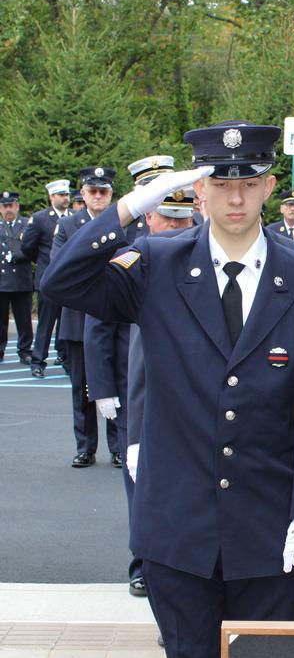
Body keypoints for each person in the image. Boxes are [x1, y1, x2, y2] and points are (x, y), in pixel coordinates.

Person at [41, 119, 294, 658]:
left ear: (269, 186)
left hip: (272, 534)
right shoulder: (156, 262)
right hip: (177, 533)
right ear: (198, 191)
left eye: (248, 182)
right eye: (218, 182)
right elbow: (61, 283)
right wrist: (132, 206)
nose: (235, 197)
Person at [85, 155, 182, 595]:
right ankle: (143, 561)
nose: (172, 223)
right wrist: (103, 388)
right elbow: (99, 327)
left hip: (184, 399)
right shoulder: (128, 256)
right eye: (164, 211)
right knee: (139, 487)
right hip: (134, 393)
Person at [52, 167, 121, 467]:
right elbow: (60, 267)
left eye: (103, 191)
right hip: (78, 319)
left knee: (117, 382)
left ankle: (118, 446)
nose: (97, 196)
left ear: (111, 194)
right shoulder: (68, 226)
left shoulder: (123, 223)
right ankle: (85, 447)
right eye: (92, 191)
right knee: (81, 388)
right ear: (82, 194)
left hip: (115, 316)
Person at [22, 179, 71, 376]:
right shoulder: (41, 218)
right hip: (48, 279)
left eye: (66, 195)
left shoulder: (74, 218)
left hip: (67, 280)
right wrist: (43, 263)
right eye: (61, 195)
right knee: (46, 321)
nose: (65, 198)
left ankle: (65, 357)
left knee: (67, 321)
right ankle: (38, 361)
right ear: (52, 197)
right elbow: (27, 247)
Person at [0, 191, 33, 363]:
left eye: (11, 205)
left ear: (17, 206)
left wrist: (16, 255)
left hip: (21, 279)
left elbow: (32, 249)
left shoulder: (27, 225)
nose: (8, 210)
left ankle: (25, 350)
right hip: (2, 281)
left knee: (24, 319)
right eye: (5, 206)